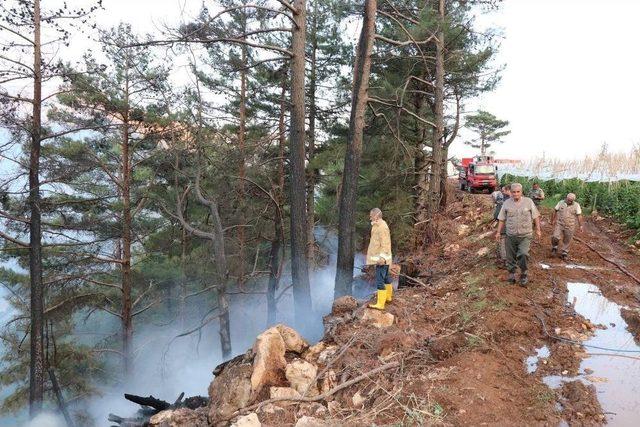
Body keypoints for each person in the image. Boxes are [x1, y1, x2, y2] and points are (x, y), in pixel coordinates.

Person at [495, 183, 542, 285]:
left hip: (525, 235)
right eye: (513, 192)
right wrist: (498, 232)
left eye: (518, 192)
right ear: (510, 192)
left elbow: (536, 216)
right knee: (510, 256)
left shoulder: (528, 202)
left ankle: (524, 273)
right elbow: (502, 218)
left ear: (521, 192)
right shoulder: (506, 203)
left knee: (523, 254)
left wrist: (538, 230)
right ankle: (511, 274)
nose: (515, 194)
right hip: (511, 235)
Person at [366, 208, 393, 310]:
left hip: (382, 260)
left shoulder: (382, 227)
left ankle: (380, 304)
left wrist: (382, 258)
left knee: (380, 281)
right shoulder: (377, 226)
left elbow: (385, 244)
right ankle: (388, 297)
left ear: (376, 216)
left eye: (371, 215)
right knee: (386, 278)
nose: (370, 218)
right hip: (383, 259)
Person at [551, 193, 584, 259]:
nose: (569, 201)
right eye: (568, 200)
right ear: (566, 198)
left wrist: (581, 226)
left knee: (567, 239)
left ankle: (564, 252)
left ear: (573, 200)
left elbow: (579, 216)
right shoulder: (560, 203)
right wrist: (552, 220)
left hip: (570, 225)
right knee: (555, 236)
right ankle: (554, 247)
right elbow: (555, 211)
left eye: (571, 201)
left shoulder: (576, 205)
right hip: (560, 223)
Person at [495, 185, 511, 266]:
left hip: (506, 225)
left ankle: (505, 261)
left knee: (504, 241)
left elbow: (499, 215)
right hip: (510, 226)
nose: (502, 192)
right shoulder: (514, 200)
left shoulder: (507, 201)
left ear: (508, 190)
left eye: (504, 191)